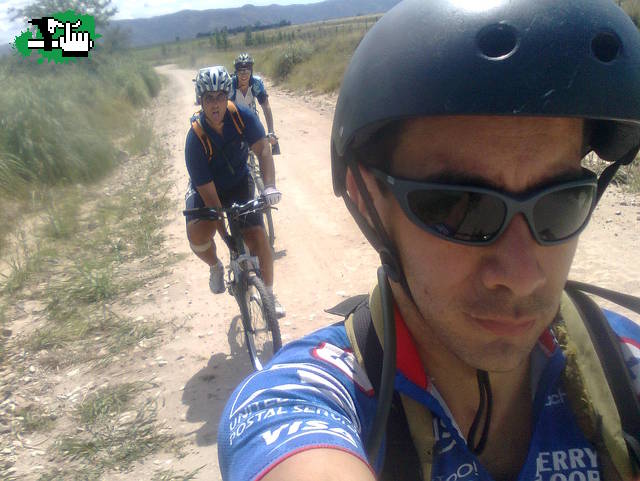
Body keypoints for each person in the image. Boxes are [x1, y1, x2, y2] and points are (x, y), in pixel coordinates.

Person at [217, 1, 640, 480]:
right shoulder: (294, 399)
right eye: (460, 207)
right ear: (366, 199)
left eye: (561, 202)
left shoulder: (624, 367)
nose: (522, 276)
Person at [185, 65, 285, 317]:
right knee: (197, 234)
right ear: (200, 101)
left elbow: (263, 149)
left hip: (239, 182)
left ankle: (269, 296)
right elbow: (212, 202)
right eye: (209, 98)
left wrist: (269, 186)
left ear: (227, 96)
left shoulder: (241, 116)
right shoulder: (195, 139)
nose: (215, 104)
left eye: (220, 96)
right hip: (208, 189)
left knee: (258, 236)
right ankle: (215, 266)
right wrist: (227, 238)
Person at [229, 53, 278, 149]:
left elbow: (266, 106)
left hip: (251, 120)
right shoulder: (230, 85)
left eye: (247, 71)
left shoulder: (256, 83)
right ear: (236, 72)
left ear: (251, 71)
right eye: (240, 72)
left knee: (264, 150)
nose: (244, 75)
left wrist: (271, 132)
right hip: (234, 121)